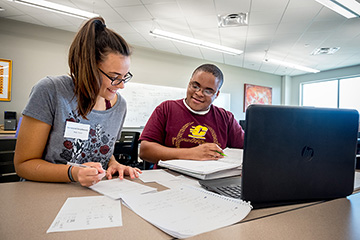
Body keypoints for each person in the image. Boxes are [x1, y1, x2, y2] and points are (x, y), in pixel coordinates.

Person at [14, 17, 141, 187]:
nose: (122, 85)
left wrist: (114, 164)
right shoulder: (51, 91)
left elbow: (101, 148)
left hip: (93, 195)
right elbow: (23, 165)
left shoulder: (119, 106)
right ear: (87, 67)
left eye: (125, 77)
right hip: (44, 193)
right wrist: (73, 173)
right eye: (114, 77)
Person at [139, 63, 244, 164]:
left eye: (208, 91)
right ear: (189, 83)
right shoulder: (166, 108)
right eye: (195, 86)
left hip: (212, 179)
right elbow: (145, 151)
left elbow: (248, 150)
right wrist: (192, 153)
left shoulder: (226, 118)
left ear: (216, 94)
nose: (199, 93)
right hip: (169, 177)